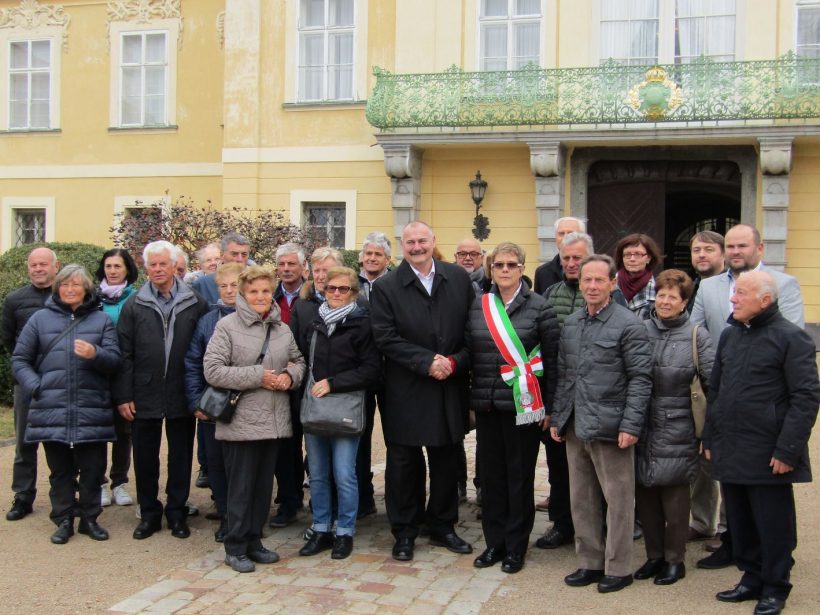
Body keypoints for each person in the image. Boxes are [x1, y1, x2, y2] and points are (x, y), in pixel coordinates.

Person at [690, 223, 805, 569]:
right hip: (727, 410)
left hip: (766, 417)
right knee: (734, 493)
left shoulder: (784, 289)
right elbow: (698, 335)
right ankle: (739, 553)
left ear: (759, 248)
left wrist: (788, 445)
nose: (736, 252)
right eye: (732, 246)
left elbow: (800, 379)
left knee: (769, 505)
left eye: (743, 245)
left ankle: (774, 570)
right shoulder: (712, 293)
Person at [704, 271, 819, 615]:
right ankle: (751, 578)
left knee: (773, 524)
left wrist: (788, 450)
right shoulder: (729, 336)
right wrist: (710, 435)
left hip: (770, 451)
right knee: (740, 520)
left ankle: (775, 586)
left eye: (741, 293)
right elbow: (717, 391)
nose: (733, 299)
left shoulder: (792, 338)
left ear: (765, 300)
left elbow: (806, 398)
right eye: (734, 292)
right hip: (731, 446)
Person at [370, 221, 475, 562]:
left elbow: (472, 329)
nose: (417, 247)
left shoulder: (457, 278)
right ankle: (405, 530)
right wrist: (427, 360)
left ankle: (443, 524)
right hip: (406, 386)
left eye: (422, 240)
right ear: (403, 246)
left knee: (446, 458)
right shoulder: (386, 286)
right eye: (410, 242)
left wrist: (455, 362)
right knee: (404, 463)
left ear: (434, 241)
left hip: (449, 384)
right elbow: (384, 337)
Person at [550, 254, 652, 594]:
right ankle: (590, 561)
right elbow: (565, 376)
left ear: (612, 283)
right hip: (577, 425)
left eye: (599, 280)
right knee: (582, 499)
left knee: (619, 501)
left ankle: (619, 567)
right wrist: (559, 417)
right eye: (586, 280)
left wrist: (631, 425)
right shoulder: (574, 323)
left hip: (612, 427)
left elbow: (640, 379)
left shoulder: (629, 324)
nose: (592, 286)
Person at [203, 265, 305, 573]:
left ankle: (254, 541)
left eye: (264, 290)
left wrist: (290, 376)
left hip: (273, 421)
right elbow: (213, 370)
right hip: (241, 422)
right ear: (243, 295)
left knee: (262, 489)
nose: (260, 296)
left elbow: (299, 361)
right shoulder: (227, 326)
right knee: (241, 489)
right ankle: (234, 546)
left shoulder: (281, 328)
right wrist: (258, 376)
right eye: (253, 291)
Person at [465, 242, 558, 573]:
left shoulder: (541, 308)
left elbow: (554, 361)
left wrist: (550, 408)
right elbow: (469, 352)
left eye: (511, 264)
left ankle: (516, 546)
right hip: (488, 404)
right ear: (491, 269)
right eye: (499, 265)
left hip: (525, 405)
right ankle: (494, 543)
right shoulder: (479, 306)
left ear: (522, 268)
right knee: (491, 479)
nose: (504, 270)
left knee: (520, 477)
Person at [12, 264, 121, 544]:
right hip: (51, 407)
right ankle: (63, 519)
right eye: (64, 285)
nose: (70, 289)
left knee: (93, 469)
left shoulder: (101, 321)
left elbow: (115, 362)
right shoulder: (39, 319)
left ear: (86, 289)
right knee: (60, 470)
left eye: (76, 285)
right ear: (57, 288)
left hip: (91, 406)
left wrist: (95, 353)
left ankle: (89, 519)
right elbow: (19, 360)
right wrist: (37, 386)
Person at [112, 241, 208, 540]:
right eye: (152, 265)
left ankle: (177, 513)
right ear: (145, 267)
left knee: (180, 455)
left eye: (162, 264)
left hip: (181, 391)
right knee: (145, 456)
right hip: (144, 393)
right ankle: (150, 514)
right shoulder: (134, 304)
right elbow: (123, 353)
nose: (157, 269)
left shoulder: (194, 301)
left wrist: (198, 393)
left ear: (173, 265)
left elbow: (202, 351)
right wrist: (124, 395)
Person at [634, 269, 714, 586]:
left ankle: (674, 559)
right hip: (643, 424)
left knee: (675, 498)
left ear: (684, 303)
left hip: (680, 424)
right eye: (662, 295)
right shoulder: (640, 330)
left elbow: (710, 385)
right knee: (646, 494)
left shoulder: (697, 336)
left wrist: (706, 432)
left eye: (673, 297)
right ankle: (654, 556)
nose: (665, 301)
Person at [297, 266, 382, 559]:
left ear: (353, 293)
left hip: (345, 407)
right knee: (318, 474)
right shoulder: (314, 321)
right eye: (331, 288)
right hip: (316, 408)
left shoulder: (363, 323)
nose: (336, 293)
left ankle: (345, 531)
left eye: (343, 289)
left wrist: (333, 383)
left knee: (344, 474)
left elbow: (372, 370)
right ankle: (321, 527)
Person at [183, 262, 244, 543]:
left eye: (234, 285)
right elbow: (193, 362)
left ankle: (244, 516)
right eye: (224, 286)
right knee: (217, 465)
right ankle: (225, 515)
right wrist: (196, 400)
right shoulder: (208, 320)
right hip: (214, 404)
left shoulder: (256, 315)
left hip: (246, 405)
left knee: (242, 466)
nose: (229, 290)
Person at [2, 247, 60, 521]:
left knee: (58, 442)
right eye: (34, 265)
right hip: (26, 382)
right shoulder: (14, 300)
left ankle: (63, 495)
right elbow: (9, 341)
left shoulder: (67, 296)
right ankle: (23, 496)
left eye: (43, 264)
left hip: (59, 382)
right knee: (25, 442)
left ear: (55, 267)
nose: (38, 269)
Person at [95, 248, 139, 508]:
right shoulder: (93, 298)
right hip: (98, 373)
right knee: (99, 430)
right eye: (109, 266)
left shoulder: (134, 298)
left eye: (117, 267)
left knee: (124, 431)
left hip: (125, 372)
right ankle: (99, 483)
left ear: (127, 270)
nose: (112, 271)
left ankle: (119, 482)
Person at [269, 242, 309, 528]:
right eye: (281, 264)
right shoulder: (269, 297)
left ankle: (318, 498)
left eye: (291, 264)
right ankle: (288, 500)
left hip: (312, 379)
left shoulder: (313, 295)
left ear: (302, 267)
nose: (285, 269)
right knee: (285, 444)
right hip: (281, 381)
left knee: (317, 444)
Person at [192, 233, 252, 306]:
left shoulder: (257, 281)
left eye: (244, 254)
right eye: (234, 254)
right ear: (222, 255)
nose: (239, 259)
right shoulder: (203, 284)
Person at [614, 233, 663, 319]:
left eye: (638, 254)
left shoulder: (657, 290)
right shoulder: (609, 285)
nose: (632, 259)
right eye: (628, 254)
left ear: (648, 258)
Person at [533, 217, 586, 295]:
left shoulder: (598, 270)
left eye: (571, 233)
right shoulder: (543, 273)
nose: (565, 237)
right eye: (561, 233)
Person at [358, 231, 392, 300]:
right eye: (369, 253)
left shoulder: (395, 284)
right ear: (362, 257)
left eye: (378, 254)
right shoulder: (352, 284)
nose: (372, 258)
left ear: (387, 260)